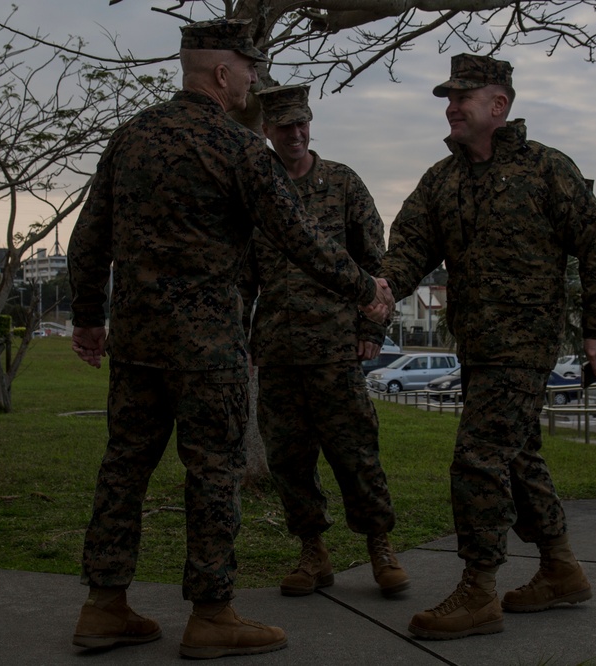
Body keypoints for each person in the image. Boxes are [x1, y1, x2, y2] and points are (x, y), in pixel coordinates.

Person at [66, 19, 393, 660]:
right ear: (223, 73)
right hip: (207, 351)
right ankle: (213, 614)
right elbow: (297, 236)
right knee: (213, 473)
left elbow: (88, 236)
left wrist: (87, 317)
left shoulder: (130, 137)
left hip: (136, 346)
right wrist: (364, 289)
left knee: (123, 469)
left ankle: (103, 606)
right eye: (249, 70)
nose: (253, 82)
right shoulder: (235, 146)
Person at [378, 53, 596, 640]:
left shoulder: (546, 169)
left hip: (525, 344)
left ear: (499, 106)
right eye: (448, 96)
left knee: (478, 458)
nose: (451, 106)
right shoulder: (444, 178)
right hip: (478, 347)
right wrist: (382, 290)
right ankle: (561, 569)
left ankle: (478, 591)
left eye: (463, 97)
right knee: (517, 456)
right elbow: (409, 245)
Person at [240, 84, 410, 599]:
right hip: (278, 349)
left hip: (337, 348)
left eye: (302, 124)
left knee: (355, 451)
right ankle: (312, 551)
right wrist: (241, 341)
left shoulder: (341, 183)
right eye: (284, 126)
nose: (295, 133)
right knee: (289, 458)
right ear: (266, 130)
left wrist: (372, 329)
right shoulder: (257, 191)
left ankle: (380, 545)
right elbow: (243, 275)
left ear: (310, 124)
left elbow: (377, 265)